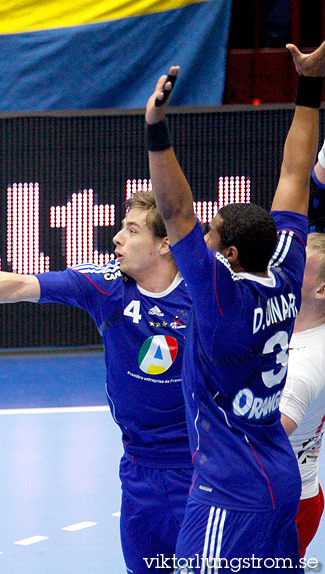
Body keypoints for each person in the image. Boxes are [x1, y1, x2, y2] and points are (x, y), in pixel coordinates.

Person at [0, 190, 193, 574]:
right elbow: (20, 286)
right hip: (139, 468)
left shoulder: (203, 293)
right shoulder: (107, 286)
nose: (117, 238)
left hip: (202, 465)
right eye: (121, 227)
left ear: (165, 244)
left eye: (132, 230)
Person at [144, 40, 325, 571]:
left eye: (211, 233)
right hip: (279, 479)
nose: (199, 239)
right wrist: (309, 86)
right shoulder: (286, 269)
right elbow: (295, 174)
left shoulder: (220, 296)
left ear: (228, 254)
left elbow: (174, 209)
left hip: (229, 487)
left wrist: (155, 128)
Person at [280, 230, 325, 558]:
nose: (283, 267)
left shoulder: (303, 364)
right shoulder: (290, 325)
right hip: (297, 495)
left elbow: (261, 438)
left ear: (322, 290)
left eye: (298, 265)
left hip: (283, 505)